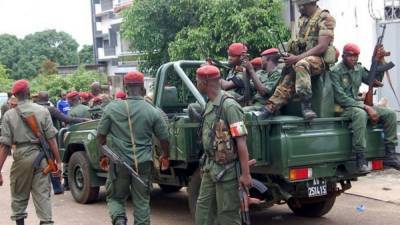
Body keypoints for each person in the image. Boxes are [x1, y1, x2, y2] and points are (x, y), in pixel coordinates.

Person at [96, 71, 170, 225]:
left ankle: (120, 221)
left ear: (126, 87)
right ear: (142, 88)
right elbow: (164, 138)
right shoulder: (152, 110)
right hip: (143, 163)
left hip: (119, 164)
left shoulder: (112, 108)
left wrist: (103, 155)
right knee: (142, 202)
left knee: (115, 198)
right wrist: (165, 155)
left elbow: (100, 138)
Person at [194, 65, 252, 225]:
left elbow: (241, 142)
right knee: (203, 212)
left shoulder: (229, 106)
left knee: (228, 215)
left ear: (205, 82)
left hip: (227, 172)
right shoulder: (210, 103)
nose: (196, 83)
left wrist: (245, 175)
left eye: (197, 80)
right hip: (210, 167)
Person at [260, 0, 336, 119]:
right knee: (288, 74)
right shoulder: (304, 20)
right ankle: (270, 107)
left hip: (319, 61)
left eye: (301, 6)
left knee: (301, 64)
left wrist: (297, 58)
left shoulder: (325, 18)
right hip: (303, 59)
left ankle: (306, 105)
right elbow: (301, 44)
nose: (299, 9)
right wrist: (290, 56)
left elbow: (322, 47)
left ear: (310, 4)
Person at [0, 80, 61, 225]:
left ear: (14, 95)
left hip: (21, 158)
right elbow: (52, 140)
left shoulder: (9, 115)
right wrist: (58, 161)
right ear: (28, 92)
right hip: (42, 159)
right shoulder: (43, 110)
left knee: (19, 196)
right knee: (43, 196)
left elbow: (5, 146)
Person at [331, 43, 400, 172]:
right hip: (342, 108)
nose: (353, 59)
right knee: (360, 114)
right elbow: (340, 97)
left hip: (357, 105)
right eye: (350, 56)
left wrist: (378, 62)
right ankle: (360, 158)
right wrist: (366, 107)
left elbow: (373, 81)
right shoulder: (336, 72)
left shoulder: (359, 68)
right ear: (343, 56)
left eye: (356, 56)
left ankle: (390, 154)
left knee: (390, 114)